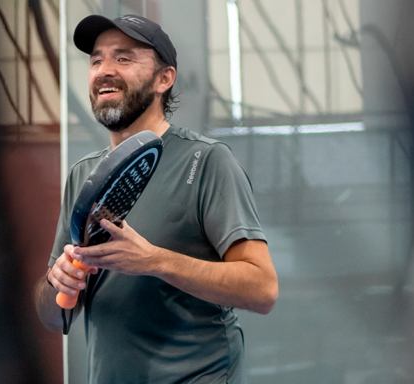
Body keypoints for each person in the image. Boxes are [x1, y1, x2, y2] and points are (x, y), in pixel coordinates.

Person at [34, 14, 278, 383]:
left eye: (124, 58)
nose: (104, 70)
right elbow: (54, 317)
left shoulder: (208, 161)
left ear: (165, 78)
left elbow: (262, 290)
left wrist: (152, 261)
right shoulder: (83, 175)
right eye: (96, 60)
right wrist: (59, 283)